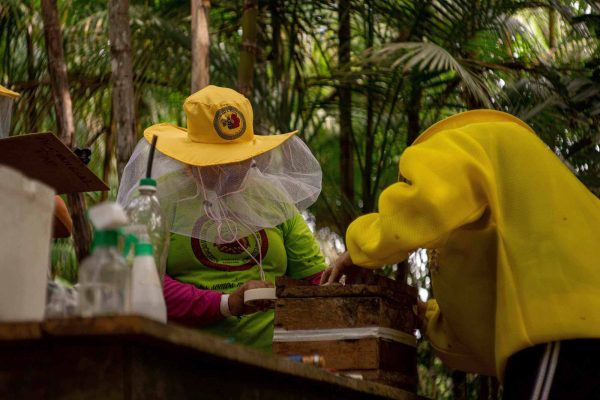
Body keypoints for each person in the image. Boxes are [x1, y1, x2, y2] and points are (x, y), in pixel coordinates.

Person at [321, 110, 600, 398]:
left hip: (567, 340)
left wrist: (358, 248)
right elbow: (483, 312)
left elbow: (424, 205)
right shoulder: (514, 188)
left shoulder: (461, 143)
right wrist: (420, 315)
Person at [118, 85, 327, 352]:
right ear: (192, 158)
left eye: (240, 158)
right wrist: (227, 303)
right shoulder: (155, 200)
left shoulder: (273, 198)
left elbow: (315, 280)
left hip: (275, 364)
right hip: (182, 360)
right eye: (221, 161)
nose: (234, 168)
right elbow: (139, 281)